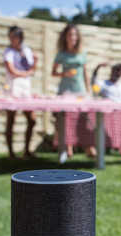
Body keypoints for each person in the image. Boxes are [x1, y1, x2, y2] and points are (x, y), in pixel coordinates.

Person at [52, 24, 90, 158]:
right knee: (63, 119)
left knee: (83, 119)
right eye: (69, 35)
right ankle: (68, 147)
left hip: (79, 89)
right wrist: (64, 74)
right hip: (65, 90)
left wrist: (88, 90)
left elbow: (85, 73)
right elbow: (53, 72)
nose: (72, 37)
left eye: (74, 34)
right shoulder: (61, 54)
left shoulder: (82, 53)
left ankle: (88, 147)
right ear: (65, 37)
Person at [3, 25, 38, 158]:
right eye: (10, 36)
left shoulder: (27, 51)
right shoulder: (8, 52)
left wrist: (35, 62)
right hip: (13, 87)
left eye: (15, 36)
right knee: (11, 119)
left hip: (25, 88)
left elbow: (32, 69)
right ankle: (11, 152)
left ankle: (27, 150)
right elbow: (11, 70)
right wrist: (26, 73)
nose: (12, 39)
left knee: (31, 119)